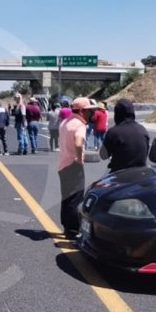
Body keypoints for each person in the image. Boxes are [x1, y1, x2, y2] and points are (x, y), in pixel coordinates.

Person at [58, 97, 96, 239]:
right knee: (76, 198)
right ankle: (74, 228)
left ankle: (67, 227)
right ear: (81, 111)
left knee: (66, 197)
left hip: (63, 164)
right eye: (88, 111)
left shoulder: (65, 122)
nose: (91, 114)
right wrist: (80, 159)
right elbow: (79, 143)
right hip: (74, 165)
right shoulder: (79, 125)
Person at [99, 98, 149, 173]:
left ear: (117, 114)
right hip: (141, 175)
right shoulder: (142, 130)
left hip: (120, 176)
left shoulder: (113, 132)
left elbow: (103, 155)